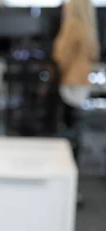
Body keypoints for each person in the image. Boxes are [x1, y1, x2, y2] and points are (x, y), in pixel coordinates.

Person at [53, 0, 100, 163]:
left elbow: (60, 55)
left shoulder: (73, 25)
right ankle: (75, 165)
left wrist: (64, 21)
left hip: (70, 82)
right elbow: (93, 55)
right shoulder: (90, 28)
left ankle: (66, 165)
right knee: (77, 125)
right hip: (82, 81)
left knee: (67, 128)